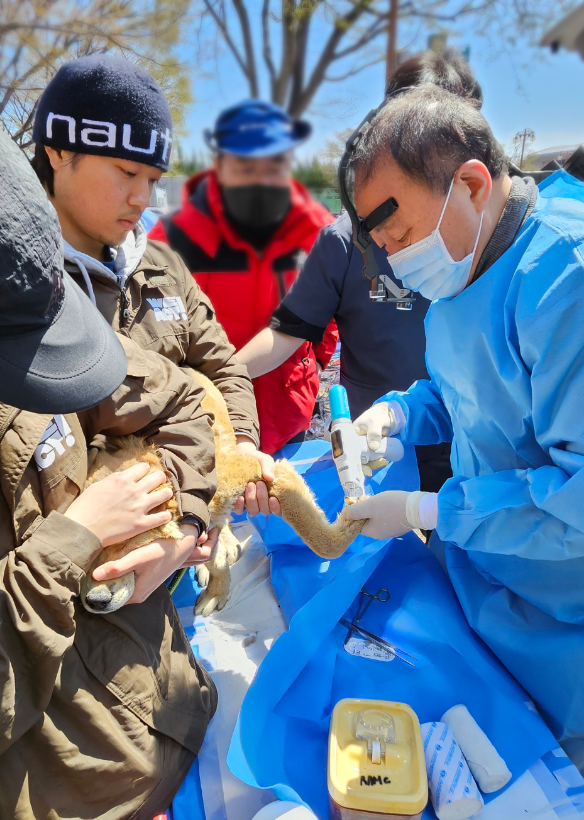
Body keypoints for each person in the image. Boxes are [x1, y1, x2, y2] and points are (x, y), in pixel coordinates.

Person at [343, 83, 584, 778]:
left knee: (536, 794)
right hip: (487, 574)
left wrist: (431, 510)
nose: (396, 260)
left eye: (401, 236)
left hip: (574, 619)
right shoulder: (469, 266)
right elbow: (469, 388)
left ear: (470, 184)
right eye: (382, 246)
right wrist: (402, 414)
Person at [0, 105, 218, 820]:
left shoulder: (14, 300)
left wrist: (180, 519)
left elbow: (183, 396)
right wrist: (70, 542)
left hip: (162, 736)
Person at [30, 56, 275, 521]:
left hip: (176, 530)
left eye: (154, 180)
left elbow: (223, 366)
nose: (143, 198)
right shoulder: (13, 283)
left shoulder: (163, 266)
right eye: (126, 172)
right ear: (60, 152)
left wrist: (240, 448)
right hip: (66, 557)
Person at [237, 48, 482, 494]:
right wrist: (222, 374)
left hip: (474, 443)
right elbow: (289, 331)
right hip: (373, 441)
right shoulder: (346, 240)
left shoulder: (498, 241)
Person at [148, 98, 339, 456]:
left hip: (286, 412)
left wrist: (314, 362)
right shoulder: (176, 231)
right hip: (206, 418)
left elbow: (329, 309)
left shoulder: (317, 227)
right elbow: (150, 323)